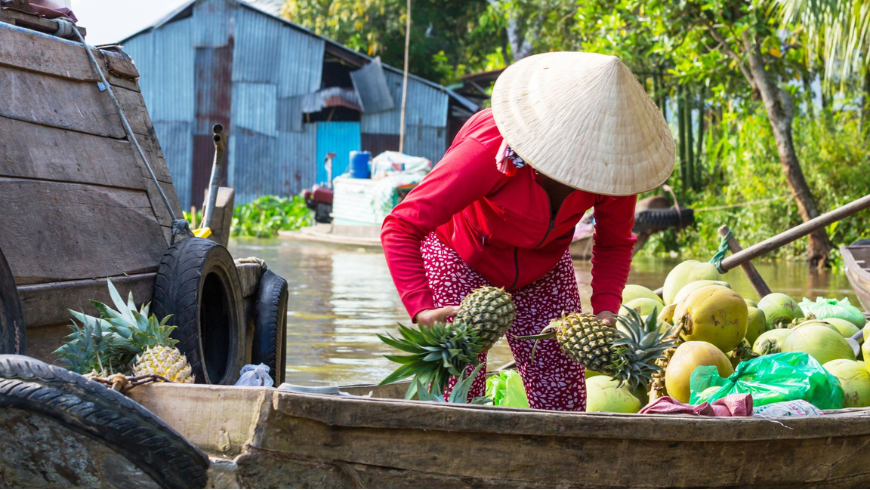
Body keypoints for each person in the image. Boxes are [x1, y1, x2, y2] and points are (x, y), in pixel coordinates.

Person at [380, 52, 675, 411]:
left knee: (562, 393)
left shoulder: (614, 171)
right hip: (461, 253)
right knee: (460, 386)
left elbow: (613, 242)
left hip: (544, 266)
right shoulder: (487, 151)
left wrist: (606, 309)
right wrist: (421, 308)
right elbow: (401, 225)